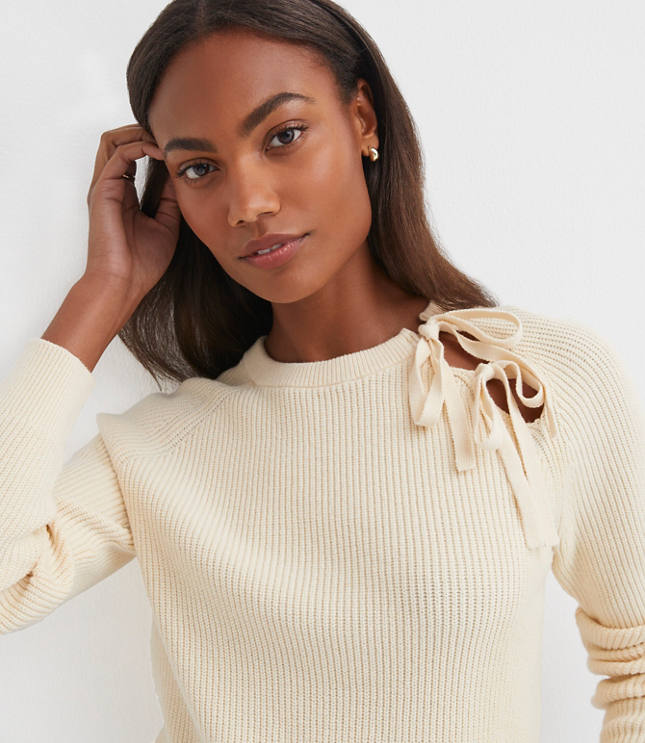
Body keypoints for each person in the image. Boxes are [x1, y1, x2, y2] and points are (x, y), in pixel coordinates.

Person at [1, 1, 643, 741]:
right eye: (200, 168)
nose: (249, 203)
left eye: (283, 135)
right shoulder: (161, 449)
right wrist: (100, 294)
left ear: (362, 119)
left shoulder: (528, 382)